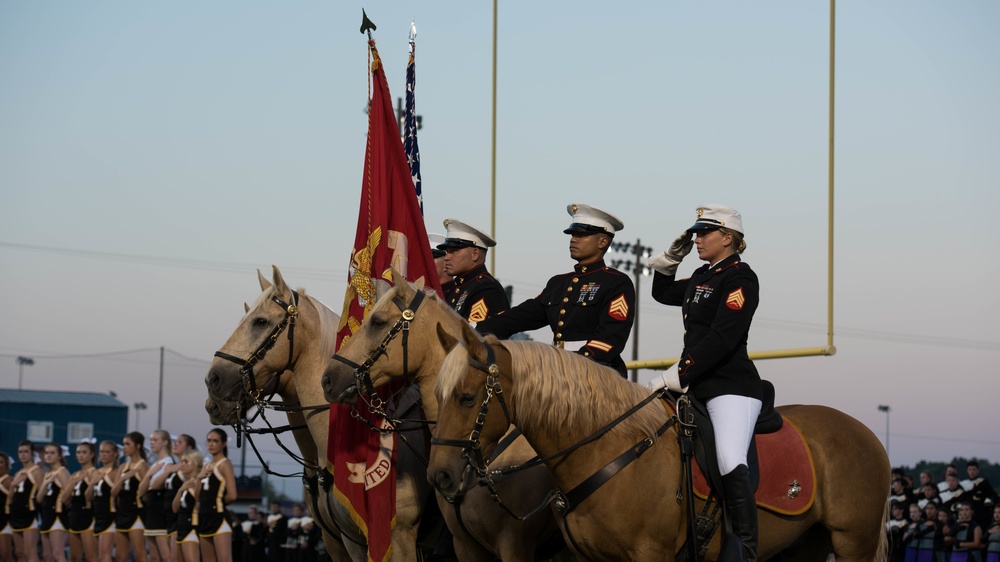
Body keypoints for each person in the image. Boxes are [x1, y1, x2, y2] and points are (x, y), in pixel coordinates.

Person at [647, 204, 763, 561]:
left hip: (730, 386)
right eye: (694, 233)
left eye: (704, 233)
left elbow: (722, 338)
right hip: (696, 382)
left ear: (728, 238)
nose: (696, 239)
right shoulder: (702, 276)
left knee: (730, 458)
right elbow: (662, 293)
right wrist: (670, 258)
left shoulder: (740, 278)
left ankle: (744, 547)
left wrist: (678, 374)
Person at [476, 203, 636, 377]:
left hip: (598, 374)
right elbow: (518, 317)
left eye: (581, 234)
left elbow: (610, 338)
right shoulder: (558, 283)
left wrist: (573, 365)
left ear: (603, 241)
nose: (573, 239)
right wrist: (473, 328)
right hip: (559, 370)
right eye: (573, 234)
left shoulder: (616, 282)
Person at [435, 219, 509, 323]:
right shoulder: (459, 288)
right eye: (447, 251)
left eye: (454, 251)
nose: (446, 257)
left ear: (475, 254)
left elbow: (474, 336)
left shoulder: (486, 289)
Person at [197, 428, 237, 562]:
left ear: (224, 444)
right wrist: (198, 478)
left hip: (219, 517)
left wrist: (217, 502)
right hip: (204, 517)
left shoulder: (225, 464)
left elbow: (232, 495)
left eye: (215, 441)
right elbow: (197, 497)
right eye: (209, 441)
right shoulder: (206, 466)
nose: (211, 444)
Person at [138, 430, 175, 562]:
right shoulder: (155, 465)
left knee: (167, 556)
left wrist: (150, 478)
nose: (151, 443)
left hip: (161, 513)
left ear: (165, 442)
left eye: (155, 440)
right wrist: (148, 475)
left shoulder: (169, 463)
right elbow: (141, 492)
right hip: (150, 513)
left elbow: (155, 486)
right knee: (153, 557)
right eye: (151, 440)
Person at [112, 432, 149, 562]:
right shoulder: (123, 467)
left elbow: (145, 492)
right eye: (124, 444)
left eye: (128, 444)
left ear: (138, 446)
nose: (125, 447)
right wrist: (122, 479)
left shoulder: (143, 466)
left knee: (140, 554)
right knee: (120, 556)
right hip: (122, 512)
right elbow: (113, 492)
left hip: (137, 512)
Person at [62, 441, 97, 562]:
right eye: (78, 452)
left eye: (84, 452)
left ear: (92, 454)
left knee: (91, 557)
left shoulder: (95, 473)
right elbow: (64, 498)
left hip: (88, 517)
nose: (80, 455)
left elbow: (91, 497)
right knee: (75, 557)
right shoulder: (74, 475)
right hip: (74, 517)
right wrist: (73, 482)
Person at [10, 440, 42, 562]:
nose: (23, 454)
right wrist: (13, 485)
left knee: (30, 552)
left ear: (32, 453)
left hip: (30, 514)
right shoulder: (18, 473)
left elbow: (41, 496)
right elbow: (11, 497)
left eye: (25, 452)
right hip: (16, 514)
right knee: (19, 552)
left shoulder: (36, 472)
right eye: (20, 452)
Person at [86, 441, 119, 562]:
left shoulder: (116, 472)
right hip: (97, 516)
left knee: (105, 556)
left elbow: (118, 495)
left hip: (110, 516)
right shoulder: (96, 472)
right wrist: (92, 483)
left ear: (115, 454)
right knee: (97, 557)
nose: (103, 455)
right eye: (101, 452)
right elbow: (88, 497)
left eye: (107, 452)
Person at [37, 444, 70, 562]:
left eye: (52, 453)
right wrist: (45, 484)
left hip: (57, 516)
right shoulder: (47, 474)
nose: (48, 455)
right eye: (46, 453)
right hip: (46, 515)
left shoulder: (62, 472)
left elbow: (68, 495)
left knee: (58, 554)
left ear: (59, 456)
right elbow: (39, 499)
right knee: (47, 556)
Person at [171, 449, 203, 562]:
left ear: (196, 463)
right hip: (181, 527)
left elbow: (199, 501)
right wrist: (180, 491)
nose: (182, 464)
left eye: (186, 461)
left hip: (191, 528)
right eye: (182, 461)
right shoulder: (185, 483)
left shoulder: (197, 482)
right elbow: (175, 509)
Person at [961, 460, 999, 530]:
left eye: (974, 469)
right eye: (970, 470)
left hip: (982, 515)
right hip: (968, 516)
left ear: (978, 470)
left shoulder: (983, 483)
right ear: (967, 471)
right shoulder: (963, 485)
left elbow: (995, 497)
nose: (972, 472)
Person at [0, 452, 15, 562]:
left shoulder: (9, 481)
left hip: (5, 520)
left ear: (6, 464)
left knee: (5, 553)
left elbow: (15, 500)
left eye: (1, 462)